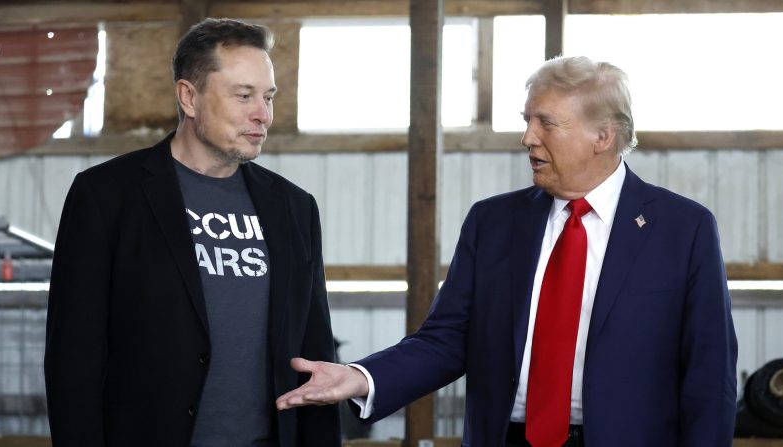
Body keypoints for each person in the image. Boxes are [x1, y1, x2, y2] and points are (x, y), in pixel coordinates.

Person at [276, 56, 738, 447]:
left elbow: (708, 371)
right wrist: (362, 378)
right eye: (527, 120)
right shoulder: (493, 222)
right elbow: (447, 337)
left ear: (603, 136)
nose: (528, 138)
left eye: (547, 124)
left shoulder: (683, 228)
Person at [44, 18, 340, 447]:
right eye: (243, 96)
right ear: (189, 97)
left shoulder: (293, 207)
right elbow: (73, 359)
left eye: (268, 97)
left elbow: (315, 355)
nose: (263, 114)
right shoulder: (105, 196)